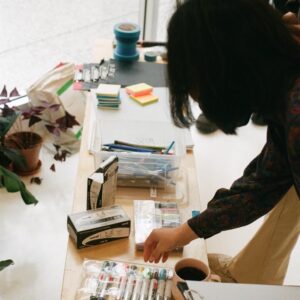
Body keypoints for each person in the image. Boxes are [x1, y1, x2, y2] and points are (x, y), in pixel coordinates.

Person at [143, 0, 300, 285]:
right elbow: (264, 182)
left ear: (226, 68)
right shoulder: (281, 81)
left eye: (194, 83)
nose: (196, 98)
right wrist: (183, 232)